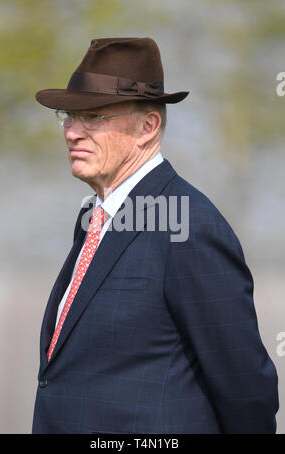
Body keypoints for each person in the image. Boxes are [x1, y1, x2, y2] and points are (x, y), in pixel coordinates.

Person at [32, 37, 279, 434]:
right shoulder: (94, 218)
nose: (72, 132)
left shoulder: (189, 225)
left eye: (93, 116)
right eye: (68, 115)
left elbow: (246, 389)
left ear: (148, 127)